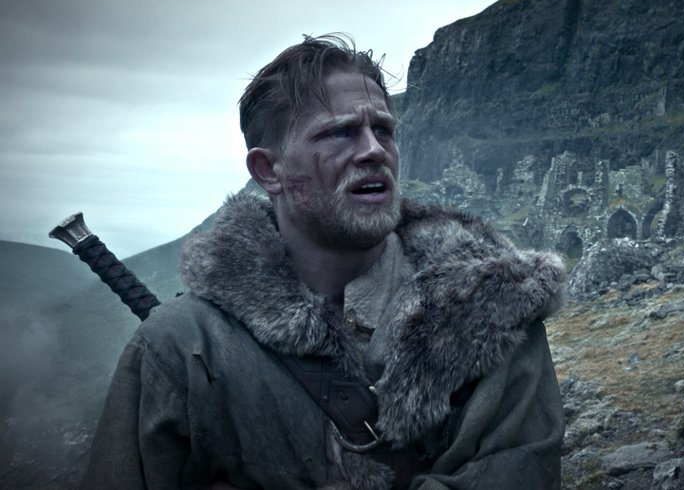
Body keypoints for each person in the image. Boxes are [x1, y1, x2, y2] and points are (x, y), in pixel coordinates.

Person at [80, 33, 566, 489]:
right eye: (340, 133)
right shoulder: (180, 348)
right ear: (268, 170)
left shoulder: (492, 308)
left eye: (383, 130)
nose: (374, 150)